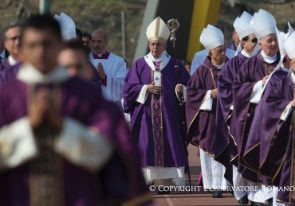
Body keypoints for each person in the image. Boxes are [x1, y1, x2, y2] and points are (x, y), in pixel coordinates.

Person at [0, 14, 150, 206]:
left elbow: (111, 153)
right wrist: (28, 127)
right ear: (22, 49)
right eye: (33, 45)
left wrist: (63, 127)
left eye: (47, 44)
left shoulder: (86, 95)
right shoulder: (6, 95)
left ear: (60, 46)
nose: (40, 51)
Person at [123, 17, 190, 193]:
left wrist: (181, 89)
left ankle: (166, 183)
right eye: (152, 44)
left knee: (169, 143)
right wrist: (145, 88)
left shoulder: (175, 65)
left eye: (158, 45)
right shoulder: (139, 64)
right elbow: (128, 89)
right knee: (146, 145)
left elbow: (188, 87)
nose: (154, 48)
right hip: (146, 115)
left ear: (165, 46)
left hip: (169, 115)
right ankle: (147, 181)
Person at [258, 27, 295, 205]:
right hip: (286, 147)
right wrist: (288, 105)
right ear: (290, 62)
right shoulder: (279, 83)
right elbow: (267, 109)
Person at [214, 11, 265, 205]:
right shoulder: (232, 65)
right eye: (253, 39)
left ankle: (259, 195)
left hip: (262, 119)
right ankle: (242, 193)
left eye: (258, 39)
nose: (256, 43)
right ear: (243, 42)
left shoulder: (264, 62)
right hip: (240, 119)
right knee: (242, 158)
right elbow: (226, 93)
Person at [232, 9, 280, 205]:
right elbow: (237, 89)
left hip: (280, 125)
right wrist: (260, 84)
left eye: (275, 40)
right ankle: (258, 196)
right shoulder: (250, 66)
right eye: (269, 41)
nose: (274, 44)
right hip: (256, 124)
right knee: (258, 159)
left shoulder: (285, 64)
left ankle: (276, 195)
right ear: (260, 43)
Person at [186, 24, 230, 198]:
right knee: (209, 150)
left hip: (227, 116)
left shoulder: (231, 67)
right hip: (209, 118)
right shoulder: (202, 71)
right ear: (210, 53)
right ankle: (213, 186)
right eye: (219, 51)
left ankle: (227, 184)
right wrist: (209, 94)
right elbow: (191, 93)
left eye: (224, 50)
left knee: (227, 148)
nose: (223, 54)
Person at [89, 30, 127, 107]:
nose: (96, 44)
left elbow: (124, 86)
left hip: (112, 106)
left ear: (106, 42)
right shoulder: (85, 59)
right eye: (93, 41)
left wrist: (104, 78)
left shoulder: (118, 61)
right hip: (90, 105)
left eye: (99, 41)